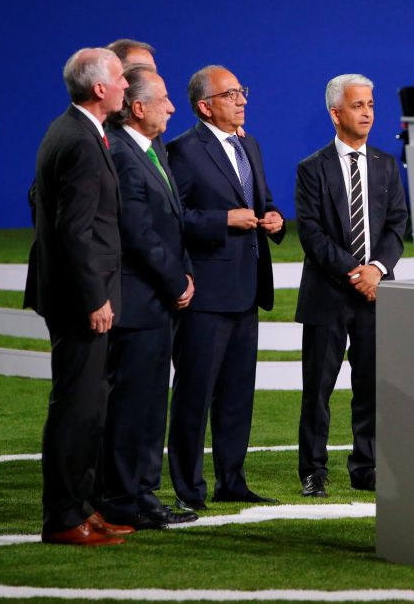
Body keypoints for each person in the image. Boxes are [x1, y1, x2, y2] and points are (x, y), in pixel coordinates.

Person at [25, 48, 135, 546]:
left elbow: (40, 202)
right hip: (80, 299)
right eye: (120, 78)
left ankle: (84, 509)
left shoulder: (69, 130)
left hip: (73, 291)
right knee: (77, 407)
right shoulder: (80, 141)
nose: (126, 86)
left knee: (88, 406)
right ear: (99, 89)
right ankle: (65, 518)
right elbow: (73, 230)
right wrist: (94, 296)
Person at [166, 65, 286, 510]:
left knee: (237, 395)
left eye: (242, 92)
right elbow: (173, 217)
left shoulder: (248, 144)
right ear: (205, 106)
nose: (242, 101)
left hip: (247, 289)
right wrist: (222, 220)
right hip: (206, 295)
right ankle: (188, 488)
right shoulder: (182, 151)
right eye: (231, 94)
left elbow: (262, 200)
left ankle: (231, 481)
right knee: (195, 395)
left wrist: (274, 219)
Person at [294, 74, 408, 497]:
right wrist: (356, 273)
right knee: (317, 391)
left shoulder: (386, 165)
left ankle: (366, 467)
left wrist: (376, 269)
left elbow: (398, 224)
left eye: (371, 105)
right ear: (335, 113)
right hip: (327, 294)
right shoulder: (311, 168)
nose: (367, 113)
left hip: (376, 295)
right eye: (358, 105)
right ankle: (313, 470)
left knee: (372, 387)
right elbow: (311, 234)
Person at [98, 65, 198, 530]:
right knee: (132, 406)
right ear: (138, 108)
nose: (172, 108)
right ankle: (123, 499)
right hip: (139, 303)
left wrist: (184, 273)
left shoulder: (150, 149)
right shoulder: (121, 153)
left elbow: (171, 222)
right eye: (164, 100)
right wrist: (176, 281)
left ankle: (141, 493)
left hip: (157, 301)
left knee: (151, 404)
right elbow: (137, 232)